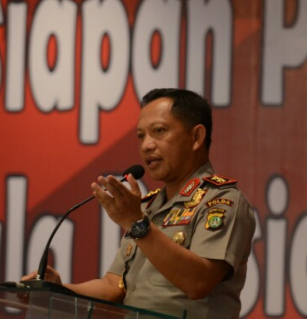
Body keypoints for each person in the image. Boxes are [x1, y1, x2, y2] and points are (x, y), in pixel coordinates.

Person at [23, 88, 256, 319]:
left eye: (159, 131)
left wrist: (137, 224)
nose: (146, 145)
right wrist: (58, 289)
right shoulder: (148, 207)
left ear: (196, 137)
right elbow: (114, 285)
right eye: (141, 136)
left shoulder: (222, 201)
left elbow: (199, 282)